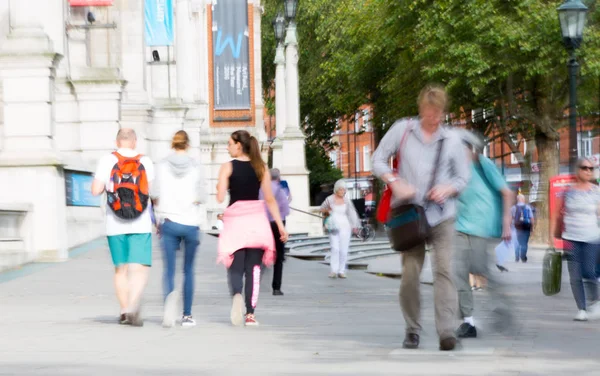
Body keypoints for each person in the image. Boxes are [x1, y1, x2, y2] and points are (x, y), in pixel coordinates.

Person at [371, 84, 470, 351]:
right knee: (410, 274)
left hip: (441, 215)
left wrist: (448, 188)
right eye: (428, 112)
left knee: (444, 271)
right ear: (420, 109)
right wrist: (394, 181)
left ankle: (446, 331)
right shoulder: (402, 130)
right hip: (409, 215)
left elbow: (463, 178)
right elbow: (377, 159)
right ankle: (412, 329)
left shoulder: (452, 140)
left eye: (438, 113)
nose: (433, 118)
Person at [216, 130, 288, 326]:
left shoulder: (227, 167)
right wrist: (281, 227)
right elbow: (270, 199)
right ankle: (250, 314)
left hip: (236, 221)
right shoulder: (261, 167)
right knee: (254, 269)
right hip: (257, 220)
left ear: (239, 145)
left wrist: (220, 185)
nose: (227, 147)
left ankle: (237, 294)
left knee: (236, 267)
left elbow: (221, 197)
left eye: (229, 143)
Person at [452, 130, 514, 339]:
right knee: (458, 273)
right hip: (459, 227)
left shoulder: (482, 164)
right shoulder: (452, 171)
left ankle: (501, 304)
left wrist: (506, 221)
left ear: (470, 149)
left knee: (480, 269)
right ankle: (467, 322)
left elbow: (506, 192)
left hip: (481, 226)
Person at [91, 128, 154, 327]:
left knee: (121, 269)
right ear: (134, 142)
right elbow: (151, 192)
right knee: (139, 268)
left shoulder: (107, 160)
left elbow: (95, 190)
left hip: (114, 222)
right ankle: (134, 304)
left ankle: (125, 310)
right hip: (141, 222)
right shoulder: (146, 161)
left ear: (117, 141)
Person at [153, 130, 208, 328]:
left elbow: (154, 193)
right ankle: (187, 315)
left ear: (172, 144)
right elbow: (203, 195)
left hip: (169, 221)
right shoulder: (196, 167)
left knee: (169, 270)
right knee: (188, 270)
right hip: (191, 223)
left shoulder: (161, 166)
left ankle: (169, 308)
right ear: (188, 145)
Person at [550, 157, 600, 321]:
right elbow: (557, 215)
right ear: (577, 170)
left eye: (591, 168)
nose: (588, 171)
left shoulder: (596, 191)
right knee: (575, 275)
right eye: (585, 168)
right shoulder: (568, 192)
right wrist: (552, 236)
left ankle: (596, 300)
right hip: (571, 238)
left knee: (589, 271)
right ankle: (582, 309)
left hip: (592, 238)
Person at [319, 179, 361, 279]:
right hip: (333, 226)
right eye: (341, 190)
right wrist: (327, 211)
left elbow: (352, 213)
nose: (343, 191)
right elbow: (321, 208)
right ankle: (333, 270)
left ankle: (341, 271)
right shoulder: (330, 199)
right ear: (336, 190)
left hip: (345, 227)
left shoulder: (346, 200)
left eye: (344, 190)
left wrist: (354, 225)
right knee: (335, 248)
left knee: (343, 250)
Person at [259, 168, 290, 296]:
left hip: (263, 223)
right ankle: (276, 288)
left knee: (259, 254)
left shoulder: (261, 189)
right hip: (277, 224)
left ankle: (254, 283)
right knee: (279, 257)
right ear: (278, 178)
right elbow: (285, 209)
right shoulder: (280, 190)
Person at [512, 194, 534, 262]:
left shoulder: (513, 207)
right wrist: (532, 228)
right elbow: (531, 218)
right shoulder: (528, 207)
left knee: (516, 242)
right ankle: (523, 257)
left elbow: (511, 218)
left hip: (517, 227)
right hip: (526, 226)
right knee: (524, 243)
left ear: (517, 199)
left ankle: (517, 257)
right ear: (523, 200)